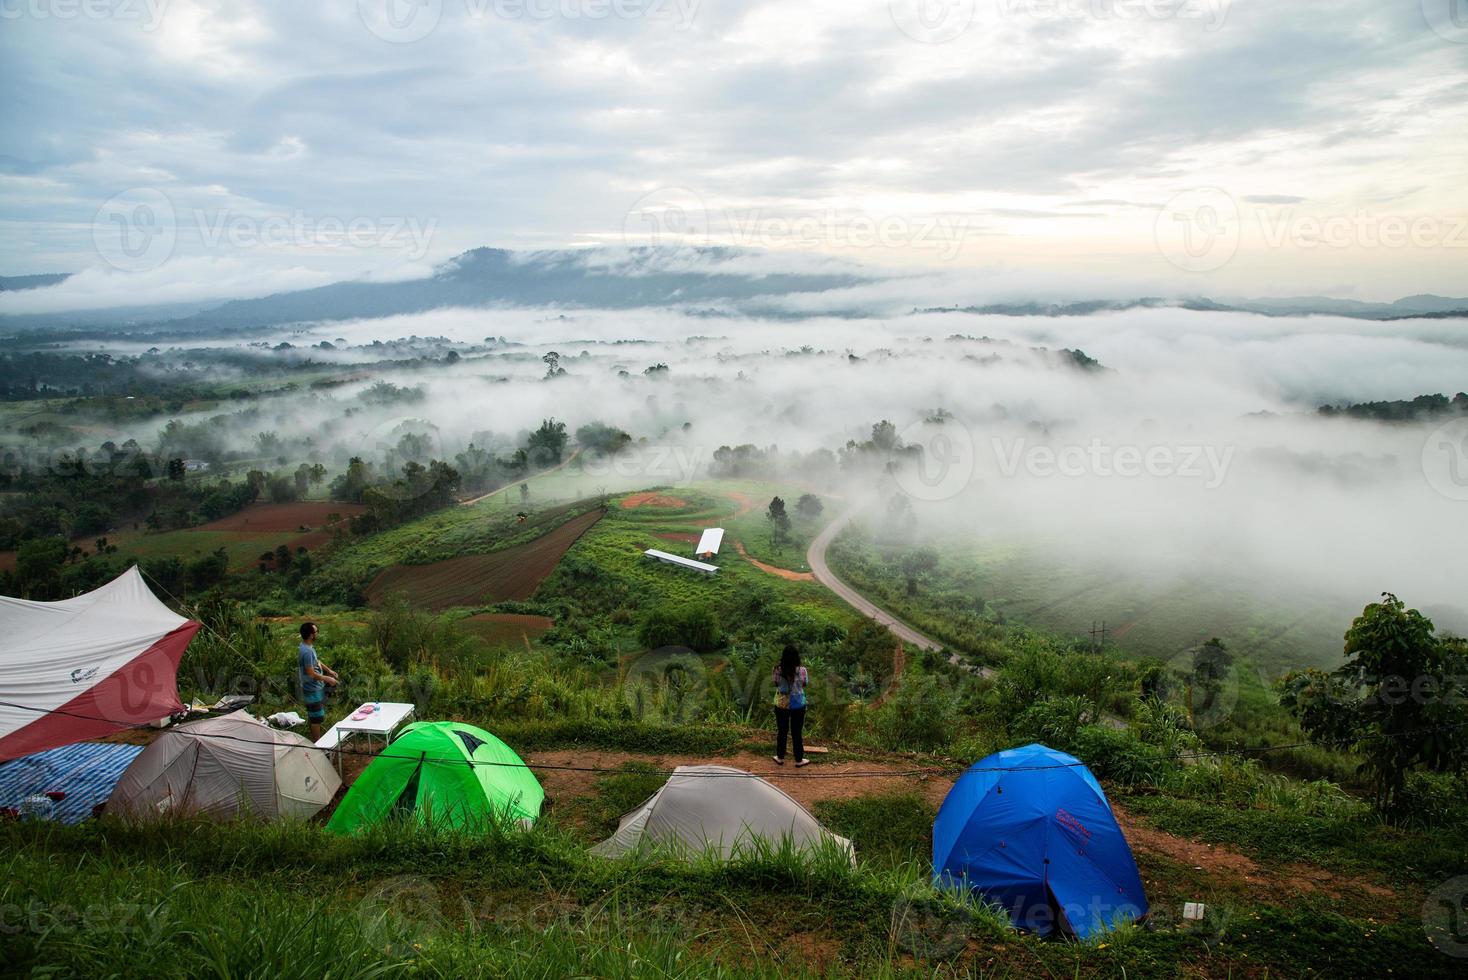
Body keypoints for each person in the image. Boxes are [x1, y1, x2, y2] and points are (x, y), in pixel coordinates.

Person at [298, 622, 338, 741]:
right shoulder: (307, 651)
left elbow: (317, 661)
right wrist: (328, 678)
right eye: (316, 632)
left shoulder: (306, 646)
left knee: (313, 715)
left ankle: (314, 741)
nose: (317, 633)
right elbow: (311, 673)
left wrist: (329, 671)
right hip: (312, 688)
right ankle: (318, 745)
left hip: (314, 687)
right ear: (311, 635)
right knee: (316, 718)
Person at [772, 644, 809, 767]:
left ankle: (780, 757)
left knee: (782, 731)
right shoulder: (802, 670)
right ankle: (799, 759)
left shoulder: (777, 669)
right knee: (796, 732)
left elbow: (775, 683)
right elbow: (805, 684)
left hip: (782, 704)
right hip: (798, 704)